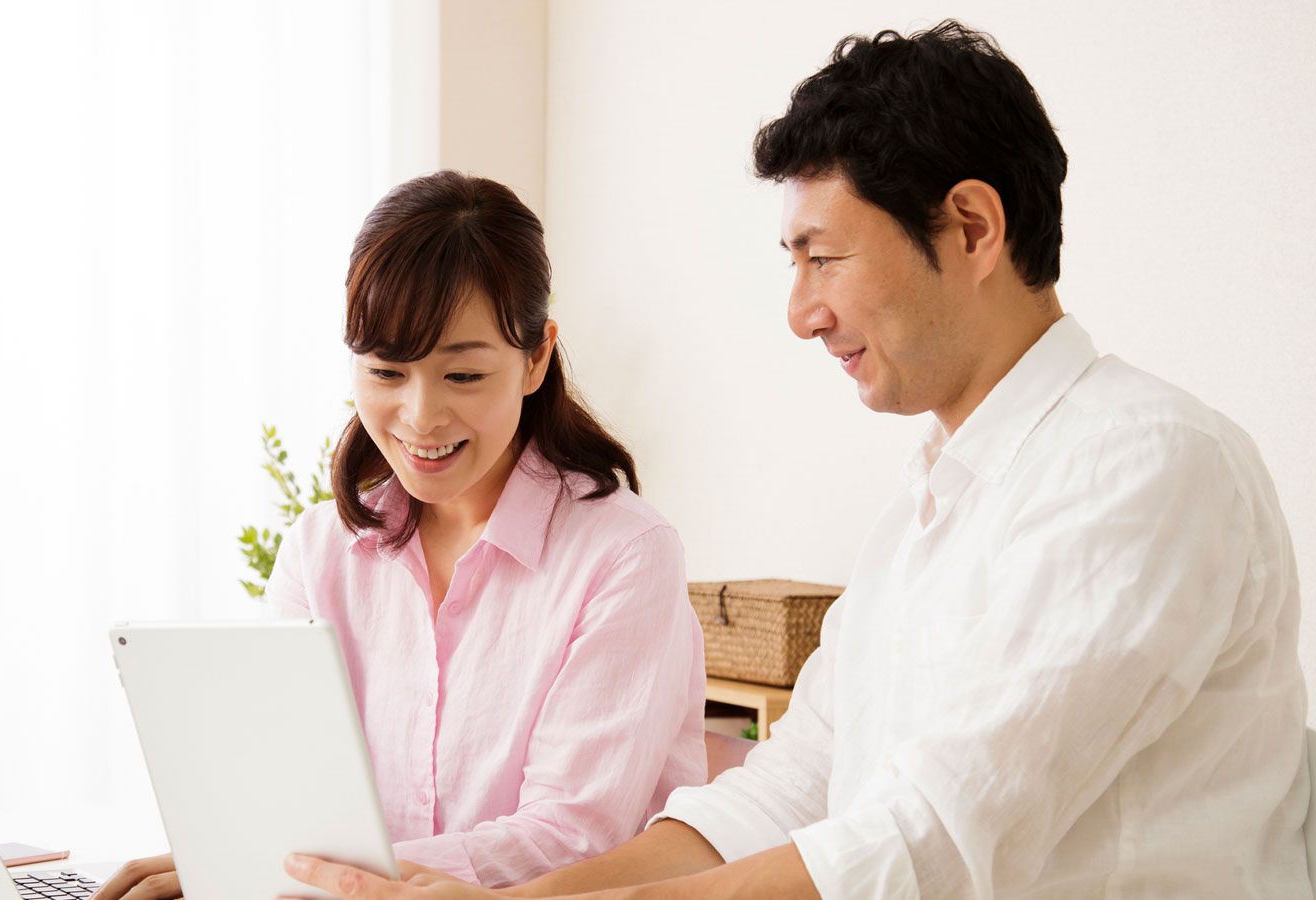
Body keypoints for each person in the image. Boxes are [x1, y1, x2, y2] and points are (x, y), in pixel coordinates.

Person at [285, 20, 1311, 899]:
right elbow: (788, 786)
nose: (801, 312)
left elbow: (930, 834)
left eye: (823, 257)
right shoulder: (930, 505)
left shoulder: (1143, 465)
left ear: (971, 228)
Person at [91, 172, 707, 900]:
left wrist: (318, 876)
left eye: (464, 375)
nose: (421, 417)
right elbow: (289, 800)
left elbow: (569, 838)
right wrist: (226, 859)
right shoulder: (319, 553)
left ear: (537, 358)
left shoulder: (624, 554)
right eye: (387, 371)